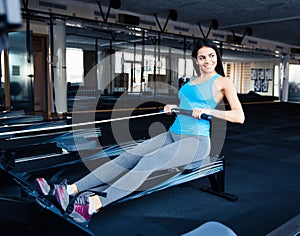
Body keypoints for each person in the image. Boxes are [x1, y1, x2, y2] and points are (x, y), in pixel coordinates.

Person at [35, 38, 245, 225]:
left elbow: (239, 116)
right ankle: (70, 189)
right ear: (196, 61)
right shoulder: (191, 81)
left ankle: (93, 204)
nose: (208, 61)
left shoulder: (223, 82)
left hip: (196, 143)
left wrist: (210, 111)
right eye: (202, 57)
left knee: (147, 163)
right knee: (128, 156)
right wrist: (172, 108)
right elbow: (187, 106)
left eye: (211, 56)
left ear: (216, 56)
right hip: (173, 134)